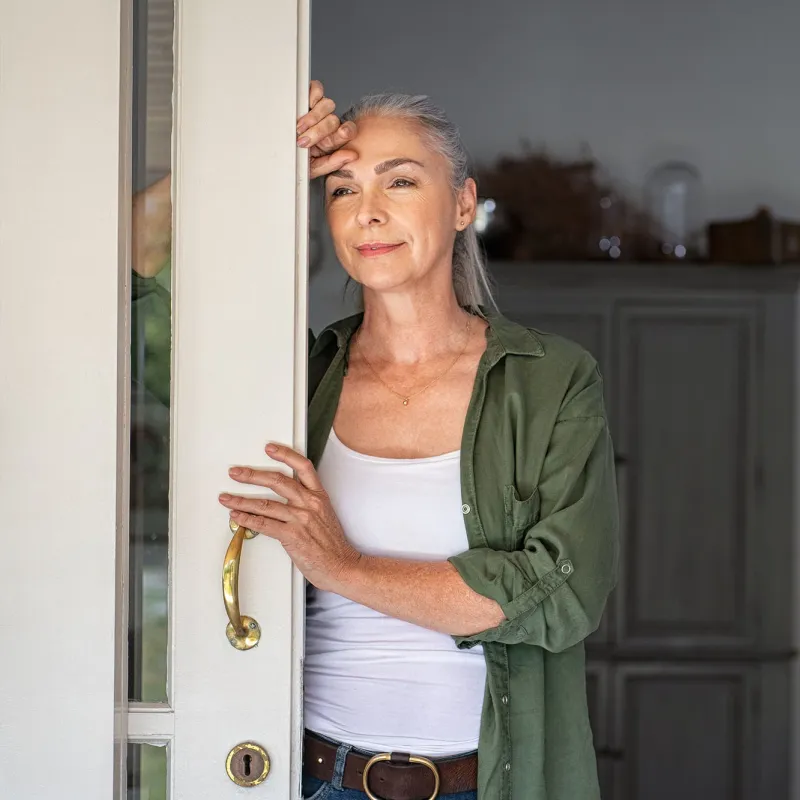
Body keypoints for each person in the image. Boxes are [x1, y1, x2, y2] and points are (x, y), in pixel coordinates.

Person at [216, 92, 620, 800]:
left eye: (399, 180)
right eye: (342, 189)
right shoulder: (297, 380)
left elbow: (562, 591)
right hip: (311, 779)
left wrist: (342, 565)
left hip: (491, 783)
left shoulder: (552, 379)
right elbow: (144, 287)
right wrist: (250, 157)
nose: (367, 211)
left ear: (463, 204)